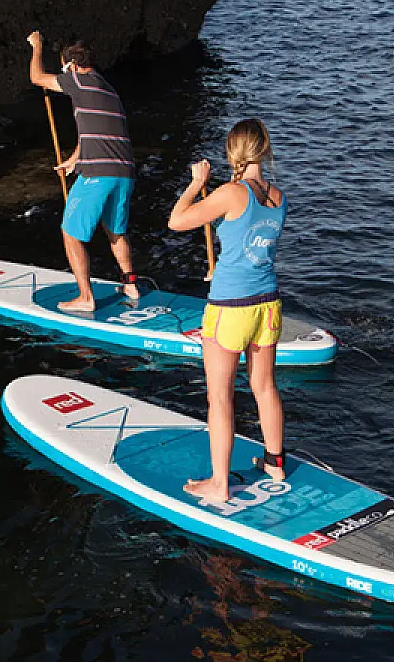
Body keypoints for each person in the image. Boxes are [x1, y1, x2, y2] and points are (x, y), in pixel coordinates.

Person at [168, 118, 287, 504]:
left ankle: (219, 484)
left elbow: (176, 221)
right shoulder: (278, 197)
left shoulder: (230, 193)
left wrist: (195, 184)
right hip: (268, 305)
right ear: (264, 149)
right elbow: (252, 246)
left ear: (232, 152)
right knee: (264, 387)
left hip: (230, 308)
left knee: (220, 397)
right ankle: (274, 463)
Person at [27, 30, 140, 312]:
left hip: (98, 174)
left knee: (71, 233)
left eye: (65, 68)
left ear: (72, 66)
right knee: (116, 231)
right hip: (124, 172)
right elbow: (97, 130)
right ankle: (130, 284)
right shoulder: (108, 89)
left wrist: (37, 47)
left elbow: (37, 77)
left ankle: (85, 297)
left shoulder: (76, 80)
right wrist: (74, 159)